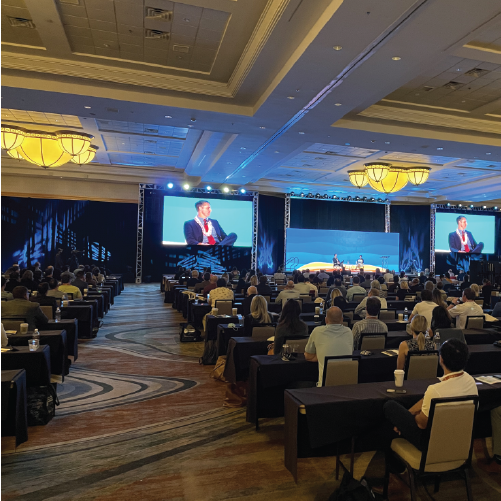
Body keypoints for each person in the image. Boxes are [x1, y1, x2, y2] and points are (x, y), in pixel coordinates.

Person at [384, 339, 478, 451]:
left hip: (432, 444)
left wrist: (406, 421)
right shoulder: (471, 381)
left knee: (390, 406)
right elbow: (426, 400)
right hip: (461, 440)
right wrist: (410, 413)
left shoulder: (434, 390)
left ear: (441, 359)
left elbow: (421, 424)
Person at [305, 307, 353, 387]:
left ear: (326, 320)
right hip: (348, 386)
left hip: (325, 387)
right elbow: (350, 352)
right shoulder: (349, 332)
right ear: (342, 320)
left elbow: (308, 356)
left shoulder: (317, 331)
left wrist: (321, 355)